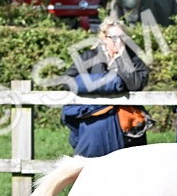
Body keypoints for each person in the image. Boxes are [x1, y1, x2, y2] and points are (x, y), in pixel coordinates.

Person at [61, 20, 150, 157]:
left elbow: (136, 84)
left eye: (122, 37)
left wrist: (121, 59)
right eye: (113, 37)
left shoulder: (133, 59)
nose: (118, 41)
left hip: (126, 125)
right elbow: (67, 80)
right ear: (104, 38)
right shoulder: (89, 56)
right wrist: (103, 83)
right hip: (94, 121)